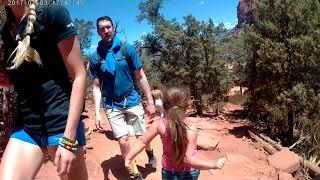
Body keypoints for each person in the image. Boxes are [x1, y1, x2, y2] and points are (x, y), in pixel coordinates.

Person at [0, 0, 88, 179]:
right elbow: (15, 82)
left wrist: (69, 139)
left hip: (62, 124)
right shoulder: (5, 31)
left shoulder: (51, 13)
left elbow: (79, 75)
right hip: (28, 126)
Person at [89, 16, 157, 179]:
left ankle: (150, 152)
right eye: (102, 28)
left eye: (108, 27)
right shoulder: (95, 57)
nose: (106, 30)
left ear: (113, 28)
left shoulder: (127, 49)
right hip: (112, 104)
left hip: (132, 99)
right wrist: (98, 113)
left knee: (142, 136)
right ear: (98, 32)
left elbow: (141, 76)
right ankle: (134, 173)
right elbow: (96, 86)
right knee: (123, 140)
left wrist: (150, 101)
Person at [125, 86, 226, 180]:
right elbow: (188, 160)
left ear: (164, 105)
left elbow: (142, 141)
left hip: (169, 171)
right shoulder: (190, 128)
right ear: (187, 105)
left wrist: (129, 158)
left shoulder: (159, 124)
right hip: (189, 172)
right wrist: (213, 164)